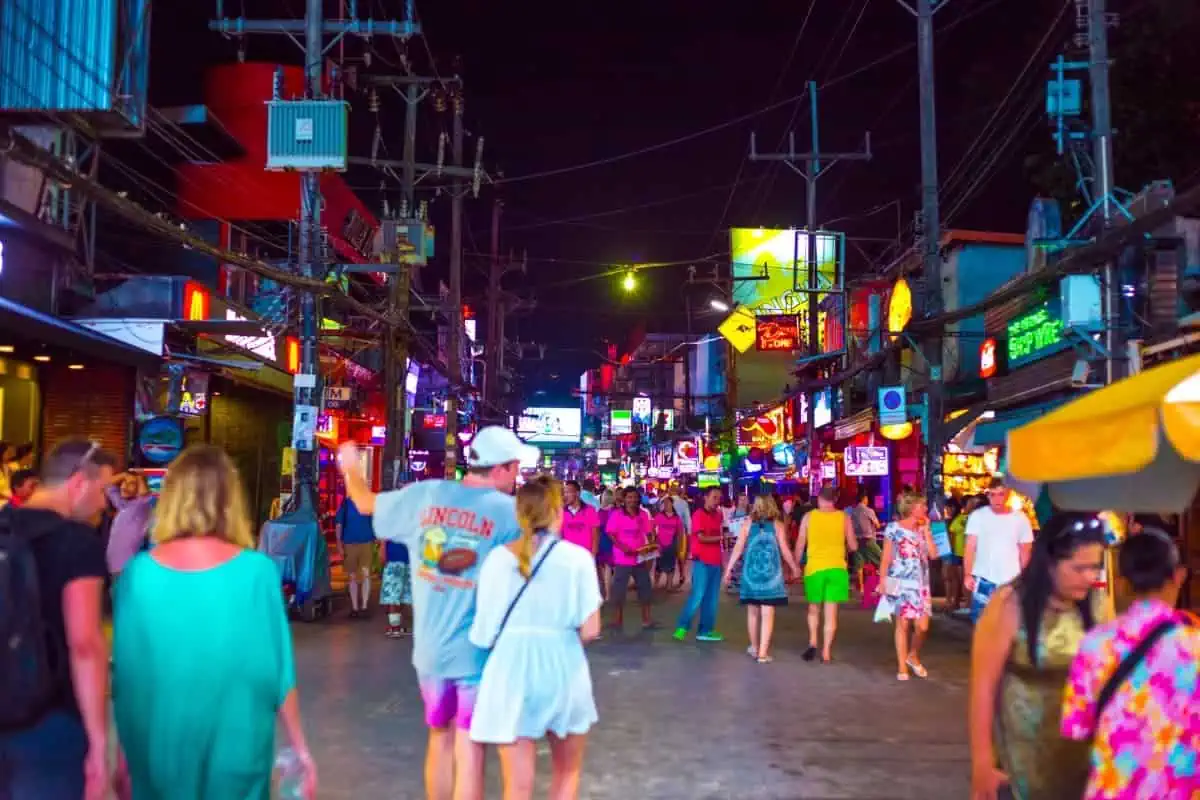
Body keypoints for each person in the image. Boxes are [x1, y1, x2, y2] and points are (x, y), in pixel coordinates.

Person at [336, 426, 534, 800]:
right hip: (478, 654)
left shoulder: (426, 495)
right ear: (500, 469)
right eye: (515, 468)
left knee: (439, 739)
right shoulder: (509, 515)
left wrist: (350, 465)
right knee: (469, 749)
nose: (517, 476)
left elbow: (363, 502)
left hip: (430, 653)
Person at [112, 445, 316, 799]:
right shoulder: (258, 572)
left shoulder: (137, 575)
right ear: (229, 500)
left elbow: (129, 678)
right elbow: (279, 672)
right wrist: (300, 750)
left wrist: (122, 757)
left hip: (160, 751)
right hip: (239, 747)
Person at [469, 475, 602, 800]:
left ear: (519, 514)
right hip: (563, 667)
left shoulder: (497, 560)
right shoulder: (578, 559)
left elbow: (483, 634)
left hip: (510, 669)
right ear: (557, 512)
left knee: (517, 787)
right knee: (566, 774)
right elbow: (591, 629)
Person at [0, 440, 119, 800]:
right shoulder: (78, 542)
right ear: (79, 483)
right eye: (103, 490)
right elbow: (85, 645)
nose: (104, 503)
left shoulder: (3, 525)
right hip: (50, 719)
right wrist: (99, 744)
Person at [968, 513, 1108, 800]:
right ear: (1050, 564)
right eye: (1079, 568)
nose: (1090, 577)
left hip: (1082, 760)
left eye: (1095, 567)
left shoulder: (1098, 604)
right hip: (1021, 758)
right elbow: (982, 688)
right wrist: (982, 763)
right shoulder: (1008, 604)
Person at [1060, 528, 1199, 799]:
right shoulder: (1194, 645)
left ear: (1122, 583)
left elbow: (1077, 729)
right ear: (1178, 576)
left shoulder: (1095, 644)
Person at [723, 494, 798, 663]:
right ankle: (763, 653)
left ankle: (754, 647)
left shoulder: (747, 524)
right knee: (767, 612)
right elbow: (785, 550)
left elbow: (738, 548)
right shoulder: (778, 525)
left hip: (751, 574)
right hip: (771, 574)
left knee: (752, 612)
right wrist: (794, 567)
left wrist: (728, 569)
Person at [878, 490, 936, 680]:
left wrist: (926, 532)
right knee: (902, 624)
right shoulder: (893, 528)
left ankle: (913, 655)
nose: (925, 508)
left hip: (921, 583)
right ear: (912, 507)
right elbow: (886, 557)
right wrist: (882, 580)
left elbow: (934, 554)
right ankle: (902, 666)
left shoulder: (924, 528)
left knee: (922, 627)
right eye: (922, 505)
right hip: (899, 580)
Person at [795, 487, 857, 663]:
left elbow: (800, 543)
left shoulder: (809, 517)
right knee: (831, 612)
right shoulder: (844, 518)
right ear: (835, 499)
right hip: (837, 569)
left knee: (814, 609)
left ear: (819, 498)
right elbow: (853, 546)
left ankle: (813, 642)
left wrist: (795, 566)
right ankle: (826, 652)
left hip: (815, 568)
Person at [964, 477, 1034, 623]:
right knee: (981, 624)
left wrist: (1026, 579)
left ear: (1008, 494)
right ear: (988, 495)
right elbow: (970, 547)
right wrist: (968, 574)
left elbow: (1025, 552)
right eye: (993, 494)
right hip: (984, 578)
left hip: (1011, 580)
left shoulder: (1020, 519)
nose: (996, 499)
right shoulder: (978, 516)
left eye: (1001, 494)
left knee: (1008, 625)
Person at [673, 486, 725, 642]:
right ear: (705, 497)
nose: (717, 501)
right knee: (698, 595)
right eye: (714, 497)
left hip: (716, 561)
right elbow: (701, 537)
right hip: (702, 560)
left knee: (712, 598)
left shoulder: (719, 515)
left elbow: (720, 534)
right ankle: (682, 626)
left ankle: (705, 630)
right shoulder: (698, 515)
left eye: (719, 498)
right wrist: (722, 538)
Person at [605, 487, 658, 632]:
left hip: (639, 557)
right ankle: (617, 620)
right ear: (624, 499)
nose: (632, 500)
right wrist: (622, 547)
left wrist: (651, 545)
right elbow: (611, 534)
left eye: (635, 497)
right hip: (622, 558)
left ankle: (646, 619)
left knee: (645, 587)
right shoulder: (616, 514)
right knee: (619, 590)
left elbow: (648, 532)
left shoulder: (643, 514)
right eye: (629, 497)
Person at [105, 469, 155, 577]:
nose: (125, 486)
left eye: (131, 484)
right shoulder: (122, 505)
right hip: (112, 567)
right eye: (124, 482)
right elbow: (107, 484)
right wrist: (124, 475)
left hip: (126, 568)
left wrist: (140, 478)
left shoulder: (141, 507)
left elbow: (144, 494)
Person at [335, 494, 377, 618]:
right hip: (350, 544)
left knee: (365, 575)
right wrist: (339, 544)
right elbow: (339, 524)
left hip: (366, 543)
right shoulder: (346, 504)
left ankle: (364, 607)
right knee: (352, 576)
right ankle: (355, 608)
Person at [946, 495, 982, 612]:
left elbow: (952, 533)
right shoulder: (962, 518)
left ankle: (967, 605)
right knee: (959, 579)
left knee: (963, 580)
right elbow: (952, 533)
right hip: (959, 553)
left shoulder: (969, 518)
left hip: (965, 553)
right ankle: (961, 603)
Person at [381, 536, 413, 638]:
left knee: (402, 594)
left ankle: (396, 625)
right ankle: (395, 627)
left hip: (407, 558)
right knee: (394, 593)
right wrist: (383, 552)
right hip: (395, 558)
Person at [561, 480, 601, 559]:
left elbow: (595, 536)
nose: (565, 495)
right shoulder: (561, 512)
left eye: (568, 492)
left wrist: (593, 556)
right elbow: (560, 536)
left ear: (577, 493)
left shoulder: (590, 510)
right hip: (567, 557)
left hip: (585, 557)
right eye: (564, 493)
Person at [652, 497, 684, 590]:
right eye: (664, 504)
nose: (666, 505)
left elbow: (680, 533)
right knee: (659, 565)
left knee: (671, 565)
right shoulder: (659, 516)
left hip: (672, 544)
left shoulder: (677, 518)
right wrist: (654, 540)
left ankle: (669, 585)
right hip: (660, 544)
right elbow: (652, 527)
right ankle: (656, 584)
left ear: (672, 504)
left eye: (668, 503)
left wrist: (679, 545)